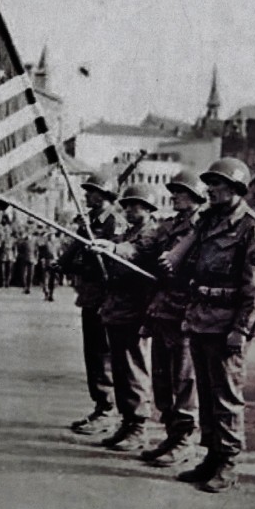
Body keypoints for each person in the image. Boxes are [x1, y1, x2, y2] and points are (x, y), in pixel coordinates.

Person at [177, 158, 255, 493]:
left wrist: (241, 330)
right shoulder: (208, 223)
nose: (210, 190)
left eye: (217, 184)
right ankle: (212, 456)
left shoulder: (252, 228)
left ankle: (229, 462)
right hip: (202, 318)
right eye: (210, 184)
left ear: (236, 188)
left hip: (228, 324)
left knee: (227, 395)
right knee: (206, 393)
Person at [139, 170, 206, 468]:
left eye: (181, 191)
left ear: (196, 196)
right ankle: (170, 434)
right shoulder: (170, 226)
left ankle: (184, 441)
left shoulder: (204, 227)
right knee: (163, 377)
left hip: (186, 312)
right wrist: (115, 247)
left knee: (184, 378)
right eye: (174, 190)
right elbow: (144, 246)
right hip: (163, 308)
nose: (174, 195)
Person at [93, 185, 159, 452]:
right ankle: (127, 421)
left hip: (136, 309)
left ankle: (139, 426)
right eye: (128, 206)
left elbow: (137, 250)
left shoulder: (151, 233)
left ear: (149, 209)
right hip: (117, 307)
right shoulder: (128, 231)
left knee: (134, 369)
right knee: (120, 369)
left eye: (137, 206)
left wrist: (114, 248)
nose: (130, 210)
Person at [56, 174, 120, 434]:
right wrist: (63, 264)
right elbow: (76, 253)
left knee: (104, 354)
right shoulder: (90, 223)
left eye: (92, 191)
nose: (86, 195)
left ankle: (109, 410)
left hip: (107, 295)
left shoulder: (115, 222)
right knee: (92, 353)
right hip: (90, 294)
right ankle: (100, 406)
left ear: (105, 195)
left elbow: (116, 259)